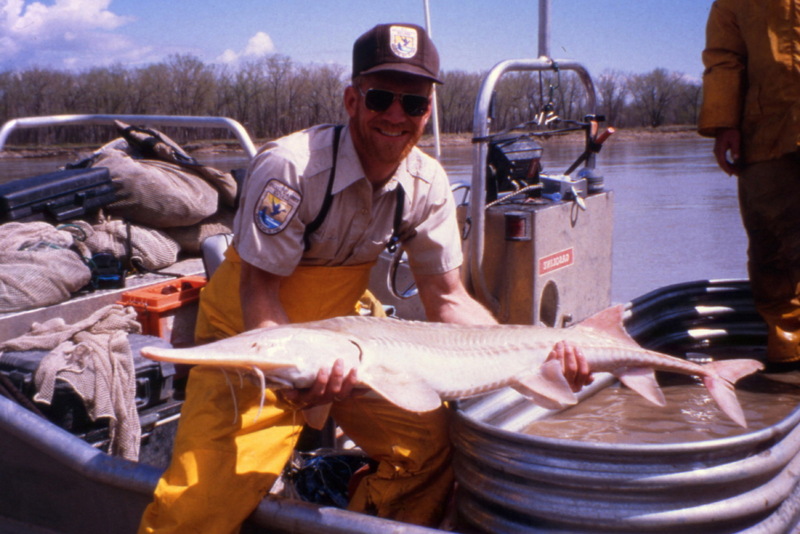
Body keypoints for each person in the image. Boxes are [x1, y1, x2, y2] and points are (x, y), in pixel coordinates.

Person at [138, 23, 592, 533]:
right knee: (197, 508)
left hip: (349, 337)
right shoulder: (290, 169)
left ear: (429, 112)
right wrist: (295, 377)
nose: (396, 116)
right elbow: (259, 293)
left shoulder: (427, 183)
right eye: (380, 98)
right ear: (352, 100)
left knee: (432, 451)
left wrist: (539, 354)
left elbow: (448, 299)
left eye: (414, 104)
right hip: (255, 339)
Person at [698, 1, 800, 369]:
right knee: (771, 249)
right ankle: (788, 354)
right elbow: (724, 58)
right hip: (765, 132)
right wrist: (725, 123)